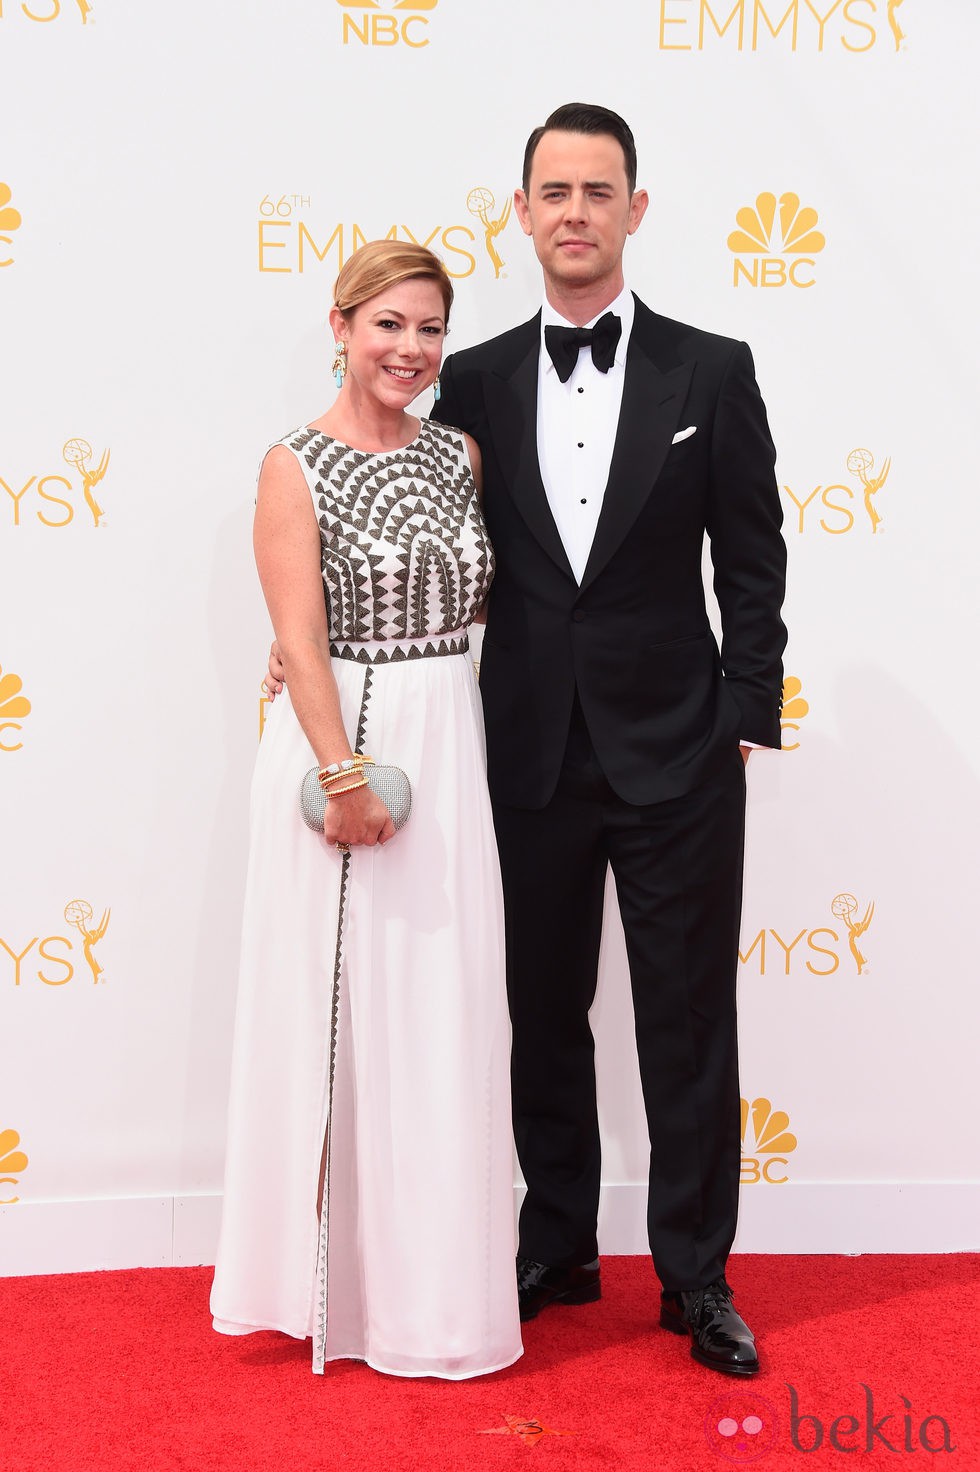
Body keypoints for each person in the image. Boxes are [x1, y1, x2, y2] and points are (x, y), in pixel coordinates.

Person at [267, 103, 787, 1378]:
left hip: (676, 758)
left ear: (634, 210)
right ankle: (553, 1242)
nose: (572, 211)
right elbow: (432, 543)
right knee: (539, 1013)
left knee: (683, 1020)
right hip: (523, 756)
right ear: (520, 210)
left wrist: (739, 714)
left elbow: (754, 557)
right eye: (550, 190)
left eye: (595, 191)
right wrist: (304, 639)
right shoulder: (478, 378)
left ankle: (695, 1275)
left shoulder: (710, 369)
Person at [210, 240, 522, 1380]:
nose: (410, 348)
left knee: (440, 1015)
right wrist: (342, 774)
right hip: (348, 752)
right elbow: (297, 638)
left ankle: (433, 1298)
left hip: (450, 746)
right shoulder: (292, 464)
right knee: (342, 1018)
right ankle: (327, 1299)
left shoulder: (459, 455)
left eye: (429, 328)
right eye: (387, 323)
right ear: (338, 325)